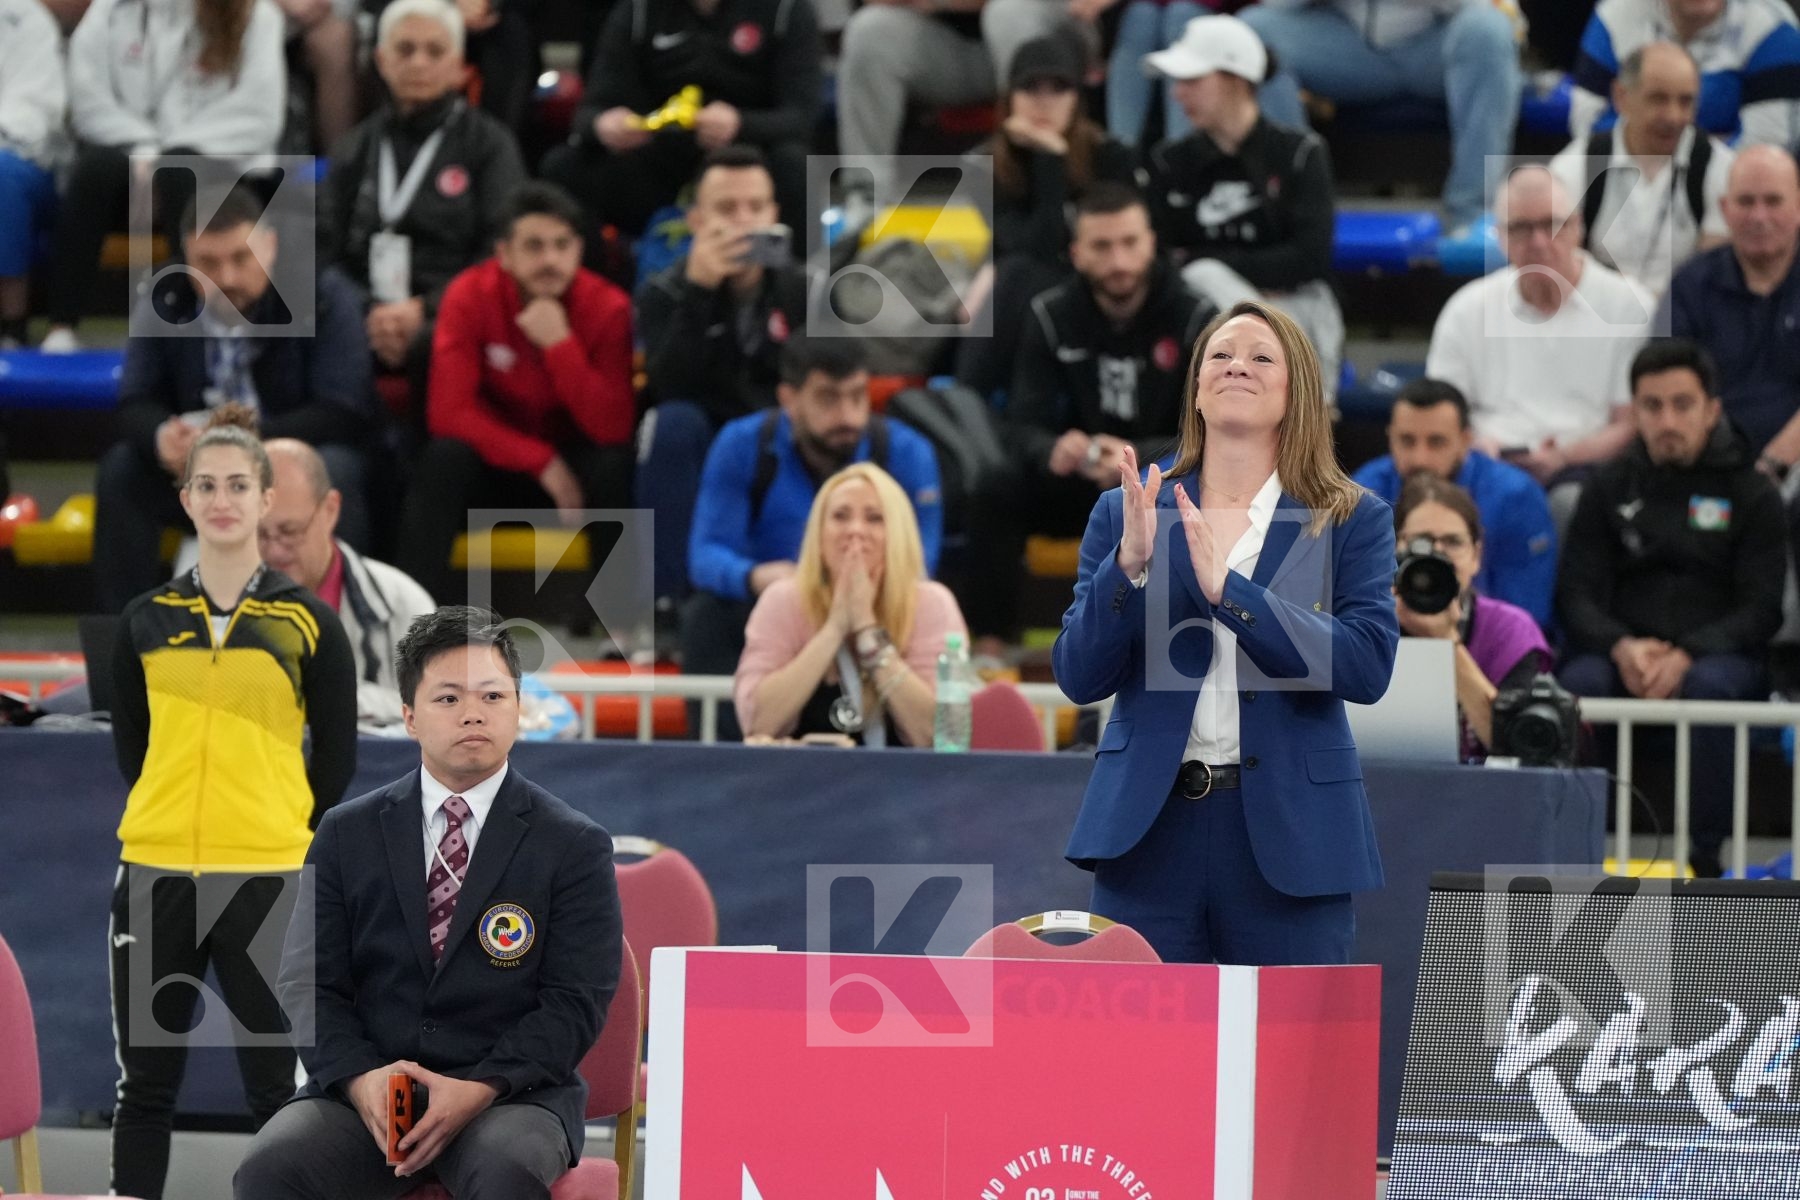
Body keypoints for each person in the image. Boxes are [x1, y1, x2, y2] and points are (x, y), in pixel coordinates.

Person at [234, 607, 624, 1200]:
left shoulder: (573, 844)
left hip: (509, 1096)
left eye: (493, 695)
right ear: (410, 717)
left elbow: (576, 1002)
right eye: (448, 699)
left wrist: (482, 1087)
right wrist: (361, 1080)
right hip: (370, 1092)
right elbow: (307, 984)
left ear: (518, 707)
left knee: (505, 1171)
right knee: (271, 1168)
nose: (473, 712)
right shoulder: (346, 832)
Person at [1053, 300, 1400, 966]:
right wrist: (1125, 569)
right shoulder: (1128, 510)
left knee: (1289, 1059)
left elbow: (1365, 665)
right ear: (1197, 387)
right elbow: (1078, 674)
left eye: (1261, 356)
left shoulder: (1348, 517)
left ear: (1295, 388)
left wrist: (1231, 594)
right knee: (1146, 1058)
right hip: (1148, 834)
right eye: (1220, 354)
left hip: (1291, 836)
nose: (1237, 364)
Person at [108, 411, 357, 1200]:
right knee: (145, 1086)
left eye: (238, 485)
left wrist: (273, 823)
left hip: (267, 878)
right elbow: (134, 751)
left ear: (263, 497)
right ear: (185, 499)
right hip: (156, 875)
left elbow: (338, 759)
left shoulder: (308, 621)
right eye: (206, 484)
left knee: (274, 1092)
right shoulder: (145, 621)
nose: (221, 499)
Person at [1558, 338, 1785, 876]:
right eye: (1652, 405)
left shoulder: (1753, 493)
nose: (1667, 420)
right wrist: (1622, 646)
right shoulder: (1607, 486)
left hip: (1720, 657)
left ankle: (1703, 862)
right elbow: (1576, 596)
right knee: (1580, 686)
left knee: (1710, 688)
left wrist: (1686, 655)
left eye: (1682, 404)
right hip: (1623, 653)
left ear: (1712, 409)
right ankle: (1582, 854)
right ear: (1634, 411)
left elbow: (1764, 608)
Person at [93, 184, 377, 614]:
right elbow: (134, 400)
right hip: (199, 467)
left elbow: (344, 407)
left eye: (241, 259)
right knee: (122, 470)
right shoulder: (163, 297)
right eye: (208, 263)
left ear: (270, 247)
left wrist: (244, 444)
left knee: (338, 469)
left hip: (290, 461)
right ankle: (122, 646)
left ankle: (337, 630)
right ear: (185, 263)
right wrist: (160, 436)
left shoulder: (322, 295)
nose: (226, 278)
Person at [965, 182, 1215, 641]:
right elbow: (1021, 423)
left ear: (1152, 243)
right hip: (1079, 479)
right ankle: (990, 645)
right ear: (1077, 252)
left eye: (1130, 243)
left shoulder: (1196, 317)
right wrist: (1052, 448)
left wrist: (1133, 456)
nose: (1119, 261)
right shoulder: (1051, 315)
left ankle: (1187, 642)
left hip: (1165, 482)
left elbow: (1211, 431)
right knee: (994, 487)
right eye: (1102, 246)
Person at [684, 337, 944, 739]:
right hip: (783, 596)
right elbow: (704, 553)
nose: (848, 414)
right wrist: (759, 578)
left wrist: (864, 620)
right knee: (706, 615)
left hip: (888, 601)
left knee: (923, 603)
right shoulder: (742, 444)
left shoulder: (909, 452)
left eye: (859, 396)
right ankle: (723, 767)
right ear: (789, 398)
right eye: (828, 398)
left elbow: (919, 559)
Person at [398, 182, 635, 603]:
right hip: (499, 464)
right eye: (534, 246)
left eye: (562, 246)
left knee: (615, 465)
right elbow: (449, 413)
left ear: (579, 249)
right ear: (504, 253)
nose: (550, 260)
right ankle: (414, 617)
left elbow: (613, 426)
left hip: (575, 464)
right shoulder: (469, 295)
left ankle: (623, 623)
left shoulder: (608, 307)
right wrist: (541, 461)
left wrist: (560, 347)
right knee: (443, 458)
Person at [319, 0, 526, 426]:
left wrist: (426, 308)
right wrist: (366, 309)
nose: (419, 63)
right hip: (362, 312)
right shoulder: (354, 147)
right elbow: (321, 250)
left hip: (452, 310)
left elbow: (501, 249)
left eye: (434, 52)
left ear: (458, 65)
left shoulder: (490, 146)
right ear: (381, 61)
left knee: (437, 341)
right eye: (405, 50)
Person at [44, 0, 286, 351]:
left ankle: (195, 324)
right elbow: (87, 103)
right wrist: (147, 149)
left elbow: (259, 115)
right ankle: (61, 326)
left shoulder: (257, 14)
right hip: (135, 158)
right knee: (94, 168)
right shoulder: (109, 11)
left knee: (179, 170)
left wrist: (170, 152)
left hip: (225, 163)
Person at [1425, 165, 1653, 521]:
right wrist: (1473, 445)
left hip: (1587, 468)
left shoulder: (1628, 306)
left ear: (1577, 227)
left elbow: (1633, 421)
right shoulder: (1465, 310)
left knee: (1569, 504)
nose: (1538, 242)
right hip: (1487, 465)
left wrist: (1564, 457)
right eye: (1521, 228)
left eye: (1552, 225)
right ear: (1500, 237)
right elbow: (1440, 417)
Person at [634, 146, 808, 609]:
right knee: (669, 424)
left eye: (756, 207)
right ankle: (666, 604)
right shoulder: (665, 290)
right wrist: (699, 292)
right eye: (727, 209)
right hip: (704, 429)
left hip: (777, 428)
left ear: (775, 214)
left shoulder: (800, 288)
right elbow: (667, 384)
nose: (744, 221)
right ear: (696, 220)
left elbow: (811, 381)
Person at [1142, 14, 1345, 405]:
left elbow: (1311, 259)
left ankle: (1306, 418)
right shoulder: (1169, 162)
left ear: (1236, 80)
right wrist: (1235, 272)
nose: (1177, 94)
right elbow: (1164, 260)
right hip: (1206, 334)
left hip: (1299, 312)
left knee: (1207, 273)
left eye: (1192, 81)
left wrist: (1212, 259)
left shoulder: (1300, 154)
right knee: (1200, 279)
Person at [954, 33, 1138, 399]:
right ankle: (972, 406)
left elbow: (1052, 249)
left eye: (1058, 88)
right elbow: (1034, 246)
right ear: (1010, 99)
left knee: (1013, 277)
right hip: (1021, 292)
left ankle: (967, 400)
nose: (1043, 101)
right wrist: (1049, 160)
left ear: (1076, 100)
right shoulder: (984, 166)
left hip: (1103, 282)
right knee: (1013, 279)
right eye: (1030, 88)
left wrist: (1052, 156)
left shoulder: (1109, 156)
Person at [1241, 0, 1525, 234]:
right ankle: (1297, 208)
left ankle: (1472, 217)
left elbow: (1489, 7)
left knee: (1489, 31)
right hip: (1351, 50)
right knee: (1256, 32)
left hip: (1437, 46)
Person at [543, 0, 822, 237]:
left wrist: (741, 124)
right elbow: (589, 111)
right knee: (564, 165)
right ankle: (598, 286)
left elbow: (803, 115)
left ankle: (791, 288)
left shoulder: (787, 10)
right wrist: (604, 125)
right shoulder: (638, 11)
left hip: (748, 159)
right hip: (659, 158)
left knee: (796, 165)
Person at [735, 463, 967, 745]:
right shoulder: (783, 601)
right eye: (840, 516)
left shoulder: (931, 604)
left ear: (898, 534)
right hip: (803, 784)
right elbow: (758, 722)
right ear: (818, 534)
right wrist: (834, 629)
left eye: (874, 518)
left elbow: (941, 736)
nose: (855, 530)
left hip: (910, 786)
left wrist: (868, 632)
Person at [257, 440, 439, 726]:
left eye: (289, 531)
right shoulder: (207, 606)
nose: (274, 551)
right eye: (258, 534)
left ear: (330, 510)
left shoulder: (405, 605)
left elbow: (437, 710)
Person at [1352, 378, 1557, 629]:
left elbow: (1526, 619)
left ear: (1465, 440)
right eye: (1406, 440)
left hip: (1487, 648)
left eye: (1436, 442)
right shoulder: (1363, 492)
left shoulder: (1516, 498)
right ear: (1390, 437)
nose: (1420, 458)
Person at [1549, 41, 1733, 296]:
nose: (1673, 116)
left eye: (1685, 101)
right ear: (1621, 97)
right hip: (1599, 313)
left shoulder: (1722, 169)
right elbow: (1558, 266)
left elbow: (1714, 279)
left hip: (1685, 321)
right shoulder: (1573, 167)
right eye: (1659, 99)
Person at [1392, 474, 1553, 762]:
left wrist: (1446, 641)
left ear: (1476, 556)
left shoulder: (1511, 630)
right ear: (1394, 548)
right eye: (1421, 542)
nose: (1438, 554)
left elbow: (1519, 746)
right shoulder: (1360, 621)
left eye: (1453, 542)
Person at [1661, 144, 1800, 469]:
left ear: (1798, 206)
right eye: (1746, 202)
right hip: (1711, 462)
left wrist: (1776, 461)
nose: (1759, 216)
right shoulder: (1690, 286)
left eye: (1773, 201)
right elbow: (1668, 383)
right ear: (1724, 209)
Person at [833, 0, 1081, 169]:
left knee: (1007, 13)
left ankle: (1028, 175)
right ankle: (866, 199)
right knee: (869, 30)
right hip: (956, 50)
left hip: (1046, 33)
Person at [1571, 0, 1800, 149]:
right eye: (1658, 98)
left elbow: (1768, 146)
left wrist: (1692, 170)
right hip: (1625, 183)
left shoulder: (1773, 28)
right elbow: (1586, 126)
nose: (1673, 117)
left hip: (1728, 196)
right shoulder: (1614, 16)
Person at [0, 0, 64, 349]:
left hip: (25, 160)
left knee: (2, 175)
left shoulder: (25, 20)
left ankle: (12, 326)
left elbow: (32, 115)